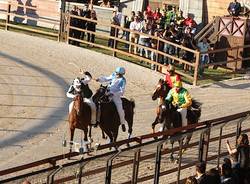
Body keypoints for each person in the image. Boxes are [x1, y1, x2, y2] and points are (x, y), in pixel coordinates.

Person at [96, 67, 127, 131]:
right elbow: (106, 79)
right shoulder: (113, 75)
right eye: (116, 73)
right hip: (107, 92)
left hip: (115, 96)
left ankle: (122, 123)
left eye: (118, 74)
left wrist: (113, 94)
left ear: (122, 74)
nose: (117, 75)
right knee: (98, 101)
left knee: (120, 109)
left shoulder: (123, 80)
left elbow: (122, 92)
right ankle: (97, 120)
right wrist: (99, 79)